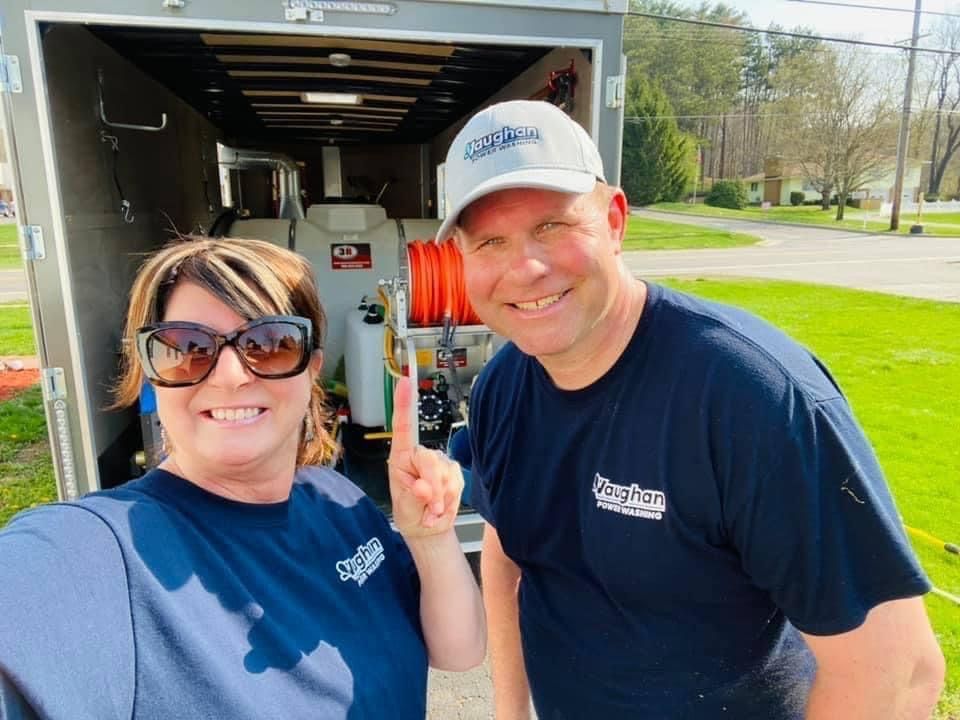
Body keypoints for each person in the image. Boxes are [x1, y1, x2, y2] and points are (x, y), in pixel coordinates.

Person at [435, 99, 945, 719]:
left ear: (615, 221)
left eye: (552, 227)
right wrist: (511, 711)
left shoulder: (749, 395)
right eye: (490, 241)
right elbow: (505, 545)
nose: (527, 269)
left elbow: (898, 674)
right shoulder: (502, 387)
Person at [0, 237, 485, 719]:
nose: (230, 375)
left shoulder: (340, 500)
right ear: (151, 373)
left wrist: (430, 540)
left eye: (269, 344)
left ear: (311, 367)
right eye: (188, 348)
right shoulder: (100, 553)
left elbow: (460, 653)